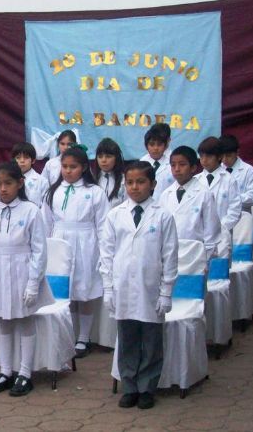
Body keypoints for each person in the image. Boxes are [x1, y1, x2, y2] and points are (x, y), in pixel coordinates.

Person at [100, 161, 178, 409]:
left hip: (151, 287)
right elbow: (107, 255)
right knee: (127, 338)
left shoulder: (163, 215)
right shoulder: (115, 215)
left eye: (141, 181)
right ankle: (130, 385)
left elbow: (170, 255)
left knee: (152, 339)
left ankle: (147, 387)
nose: (135, 187)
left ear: (153, 184)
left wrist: (166, 292)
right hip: (122, 286)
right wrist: (108, 288)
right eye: (130, 182)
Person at [0, 162, 54, 397]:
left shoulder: (31, 211)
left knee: (24, 321)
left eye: (8, 183)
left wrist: (33, 283)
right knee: (3, 320)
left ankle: (25, 373)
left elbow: (39, 251)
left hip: (23, 270)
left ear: (20, 183)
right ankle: (6, 371)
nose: (3, 189)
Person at [40, 146, 109, 358]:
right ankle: (66, 333)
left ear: (84, 168)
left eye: (73, 167)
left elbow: (103, 225)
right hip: (60, 242)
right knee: (64, 290)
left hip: (86, 243)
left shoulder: (94, 192)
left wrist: (103, 252)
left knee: (84, 290)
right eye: (65, 167)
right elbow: (45, 223)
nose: (68, 171)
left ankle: (84, 337)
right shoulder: (53, 191)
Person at [160, 146, 221, 262]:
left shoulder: (204, 194)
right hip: (170, 256)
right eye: (173, 165)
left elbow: (211, 230)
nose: (177, 169)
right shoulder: (165, 195)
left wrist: (206, 259)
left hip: (196, 257)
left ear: (193, 167)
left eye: (182, 165)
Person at [195, 137, 241, 262]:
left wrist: (219, 228)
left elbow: (235, 211)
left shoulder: (229, 180)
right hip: (199, 236)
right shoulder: (195, 181)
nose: (204, 160)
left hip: (222, 235)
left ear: (219, 156)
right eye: (202, 156)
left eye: (209, 156)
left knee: (219, 275)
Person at [219, 135, 253, 212]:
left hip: (241, 215)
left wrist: (233, 199)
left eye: (228, 156)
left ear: (237, 152)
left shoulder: (248, 170)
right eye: (222, 156)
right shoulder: (216, 169)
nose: (224, 160)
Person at [139, 124, 176, 201]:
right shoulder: (142, 161)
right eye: (152, 144)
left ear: (166, 145)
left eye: (159, 145)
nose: (155, 148)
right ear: (146, 146)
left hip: (168, 203)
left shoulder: (174, 160)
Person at [12, 141, 47, 207]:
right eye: (18, 157)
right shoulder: (9, 179)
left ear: (33, 160)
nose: (22, 161)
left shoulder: (42, 181)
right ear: (13, 160)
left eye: (26, 157)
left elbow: (45, 207)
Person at [95, 138, 126, 208]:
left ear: (117, 158)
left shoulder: (124, 180)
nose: (103, 160)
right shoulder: (92, 180)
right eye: (100, 157)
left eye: (108, 156)